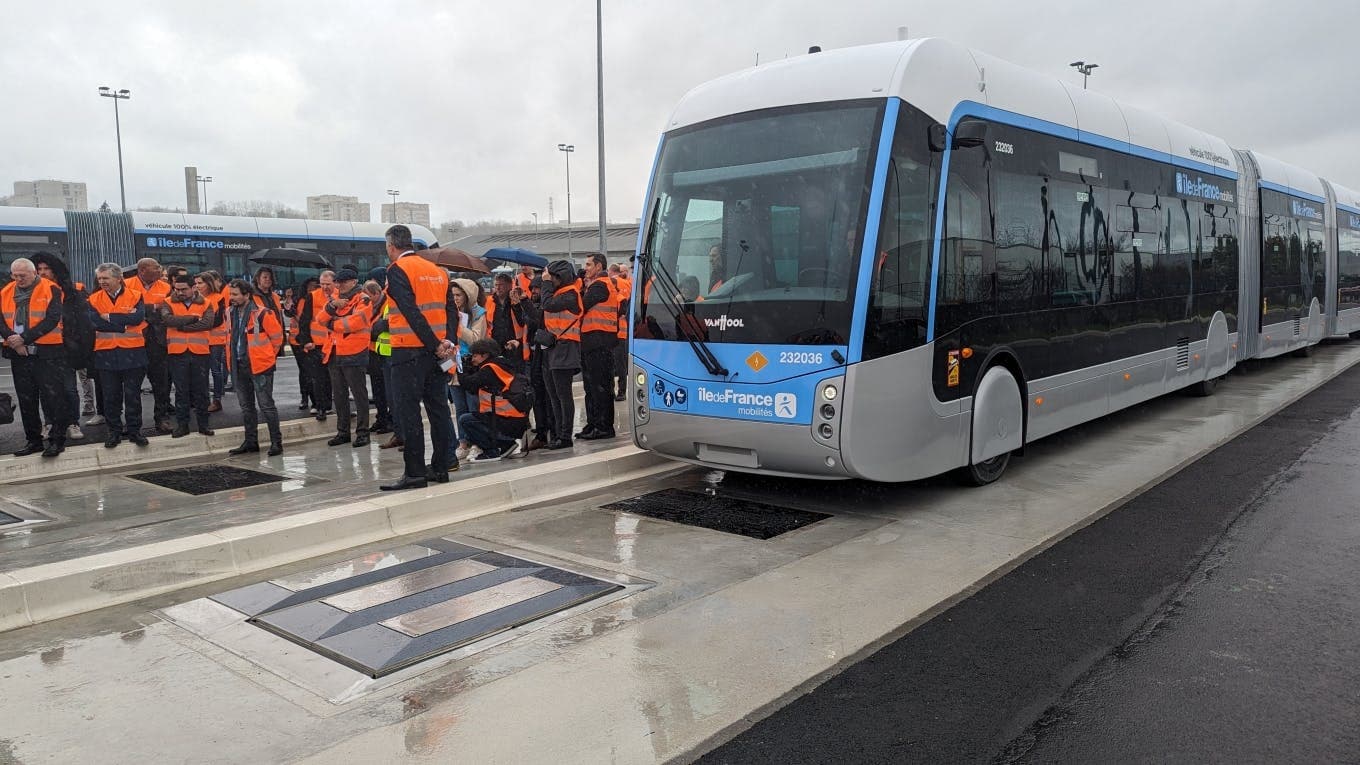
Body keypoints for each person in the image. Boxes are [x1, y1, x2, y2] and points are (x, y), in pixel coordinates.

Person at [381, 224, 457, 490]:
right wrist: (447, 342)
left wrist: (435, 344)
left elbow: (411, 312)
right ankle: (441, 466)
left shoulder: (397, 270)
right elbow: (451, 311)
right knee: (438, 412)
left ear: (391, 246)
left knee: (409, 413)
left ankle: (414, 473)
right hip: (437, 354)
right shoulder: (438, 272)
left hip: (409, 351)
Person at [0, 258, 70, 457]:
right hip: (18, 354)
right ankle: (33, 440)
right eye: (15, 275)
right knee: (26, 400)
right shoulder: (5, 292)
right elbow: (1, 320)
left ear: (34, 273)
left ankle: (57, 440)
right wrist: (14, 341)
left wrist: (23, 339)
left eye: (22, 275)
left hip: (47, 353)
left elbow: (52, 319)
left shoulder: (52, 289)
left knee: (53, 398)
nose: (18, 279)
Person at [87, 262, 149, 448]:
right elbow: (94, 322)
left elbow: (137, 318)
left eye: (106, 278)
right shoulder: (93, 298)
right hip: (106, 354)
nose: (102, 281)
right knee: (110, 397)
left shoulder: (135, 295)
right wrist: (123, 323)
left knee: (133, 396)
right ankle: (113, 432)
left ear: (118, 278)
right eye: (100, 278)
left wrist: (110, 317)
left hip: (133, 353)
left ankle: (134, 431)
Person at [33, 253, 94, 443]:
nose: (43, 273)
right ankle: (50, 422)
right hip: (42, 347)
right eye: (39, 269)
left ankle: (72, 423)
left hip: (66, 347)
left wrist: (80, 345)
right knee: (46, 389)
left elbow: (83, 321)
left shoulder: (73, 290)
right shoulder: (32, 290)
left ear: (55, 270)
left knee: (69, 388)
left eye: (46, 269)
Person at [225, 279, 284, 456]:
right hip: (238, 365)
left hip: (260, 366)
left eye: (235, 294)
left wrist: (266, 358)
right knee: (246, 407)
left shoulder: (262, 314)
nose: (231, 297)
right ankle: (251, 441)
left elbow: (277, 339)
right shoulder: (229, 313)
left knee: (266, 405)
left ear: (247, 295)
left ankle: (276, 443)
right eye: (230, 294)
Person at [315, 267, 372, 447]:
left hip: (354, 352)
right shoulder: (335, 299)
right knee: (339, 395)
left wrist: (332, 323)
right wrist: (333, 306)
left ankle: (363, 433)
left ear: (354, 282)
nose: (339, 285)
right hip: (334, 351)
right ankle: (343, 432)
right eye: (338, 282)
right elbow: (319, 319)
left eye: (343, 282)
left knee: (359, 394)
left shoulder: (363, 299)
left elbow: (355, 323)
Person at [159, 273, 215, 438]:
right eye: (177, 289)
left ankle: (203, 425)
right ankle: (183, 425)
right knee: (181, 391)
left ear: (193, 288)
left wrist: (182, 327)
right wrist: (191, 318)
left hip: (200, 352)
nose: (179, 292)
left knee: (201, 391)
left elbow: (207, 323)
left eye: (183, 289)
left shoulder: (206, 302)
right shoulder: (168, 301)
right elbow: (167, 320)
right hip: (177, 352)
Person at [456, 339, 528, 462]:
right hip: (514, 419)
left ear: (485, 355)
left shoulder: (490, 369)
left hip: (506, 421)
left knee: (465, 420)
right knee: (474, 418)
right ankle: (506, 444)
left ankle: (493, 450)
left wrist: (460, 369)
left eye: (475, 356)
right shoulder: (501, 364)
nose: (472, 359)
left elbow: (469, 384)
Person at [539, 259, 583, 449]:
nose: (551, 281)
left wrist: (546, 283)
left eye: (554, 278)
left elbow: (547, 304)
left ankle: (565, 436)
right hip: (554, 348)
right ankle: (558, 433)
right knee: (554, 394)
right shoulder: (559, 293)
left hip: (566, 347)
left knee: (563, 395)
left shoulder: (570, 294)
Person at [126, 258, 173, 432]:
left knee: (161, 383)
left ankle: (162, 418)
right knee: (132, 385)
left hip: (157, 341)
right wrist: (152, 308)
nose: (160, 270)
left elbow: (167, 311)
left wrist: (143, 311)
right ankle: (133, 423)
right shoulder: (127, 284)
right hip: (134, 342)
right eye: (156, 267)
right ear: (143, 270)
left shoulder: (166, 287)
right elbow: (128, 310)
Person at [578, 252, 619, 440]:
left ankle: (603, 426)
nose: (585, 269)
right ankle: (594, 423)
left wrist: (578, 286)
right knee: (591, 387)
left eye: (588, 265)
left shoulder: (601, 285)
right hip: (592, 342)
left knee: (600, 387)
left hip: (600, 342)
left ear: (598, 267)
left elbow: (581, 306)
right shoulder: (594, 285)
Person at [448, 278, 486, 461]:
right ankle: (463, 441)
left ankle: (478, 441)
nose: (455, 298)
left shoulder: (479, 314)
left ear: (468, 295)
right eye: (452, 295)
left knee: (474, 406)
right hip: (453, 365)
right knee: (459, 407)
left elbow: (476, 339)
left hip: (471, 365)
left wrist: (458, 326)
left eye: (458, 295)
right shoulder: (449, 312)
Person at [297, 270, 335, 420]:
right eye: (323, 284)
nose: (325, 287)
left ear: (335, 283)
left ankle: (332, 406)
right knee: (319, 378)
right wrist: (306, 341)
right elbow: (304, 321)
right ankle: (321, 407)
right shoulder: (312, 296)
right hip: (317, 344)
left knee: (335, 378)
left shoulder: (340, 295)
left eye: (328, 284)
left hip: (334, 344)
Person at [522, 275, 554, 450]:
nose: (533, 292)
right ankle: (542, 430)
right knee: (538, 394)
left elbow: (537, 320)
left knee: (548, 395)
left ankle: (551, 430)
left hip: (546, 354)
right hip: (534, 354)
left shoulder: (547, 306)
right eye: (532, 288)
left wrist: (524, 302)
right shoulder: (532, 306)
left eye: (537, 288)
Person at [363, 276, 393, 435]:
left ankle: (389, 420)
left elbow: (382, 326)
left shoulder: (387, 304)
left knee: (387, 391)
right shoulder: (370, 305)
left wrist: (373, 329)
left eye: (369, 296)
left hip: (385, 352)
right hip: (374, 352)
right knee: (378, 390)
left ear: (376, 293)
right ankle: (381, 418)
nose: (367, 300)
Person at [196, 271, 228, 413]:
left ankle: (217, 399)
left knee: (215, 370)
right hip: (201, 340)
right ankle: (204, 400)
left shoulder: (218, 298)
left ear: (208, 283)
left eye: (200, 283)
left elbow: (218, 320)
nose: (197, 286)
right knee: (202, 372)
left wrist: (199, 323)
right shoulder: (195, 299)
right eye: (196, 283)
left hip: (215, 340)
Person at [284, 277, 316, 412]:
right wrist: (288, 301)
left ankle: (311, 399)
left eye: (315, 286)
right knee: (304, 371)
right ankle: (305, 397)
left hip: (307, 339)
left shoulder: (314, 300)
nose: (313, 289)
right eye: (311, 286)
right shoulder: (299, 300)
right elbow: (288, 311)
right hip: (296, 340)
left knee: (309, 372)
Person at [486, 272, 529, 371]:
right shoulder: (489, 301)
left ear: (510, 286)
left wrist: (516, 305)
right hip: (494, 344)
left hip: (514, 344)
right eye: (496, 285)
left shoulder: (516, 300)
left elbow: (523, 321)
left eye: (501, 285)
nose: (498, 288)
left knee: (514, 373)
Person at [611, 262, 632, 401]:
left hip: (614, 331)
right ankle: (621, 391)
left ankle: (616, 391)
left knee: (614, 365)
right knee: (620, 364)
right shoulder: (628, 284)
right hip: (621, 331)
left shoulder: (614, 287)